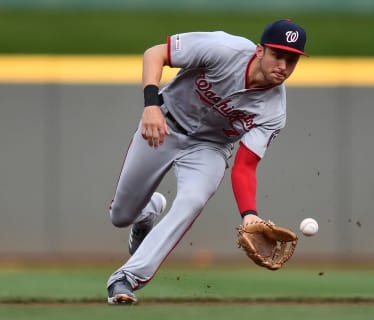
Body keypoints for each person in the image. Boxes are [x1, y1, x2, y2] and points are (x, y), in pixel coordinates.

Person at [106, 19, 308, 305]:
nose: (283, 66)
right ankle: (146, 212)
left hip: (210, 148)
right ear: (260, 51)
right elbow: (155, 54)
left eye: (292, 60)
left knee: (193, 199)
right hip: (164, 125)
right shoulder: (224, 49)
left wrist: (249, 213)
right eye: (278, 55)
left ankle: (127, 278)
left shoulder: (274, 110)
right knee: (120, 217)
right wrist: (150, 105)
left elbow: (245, 166)